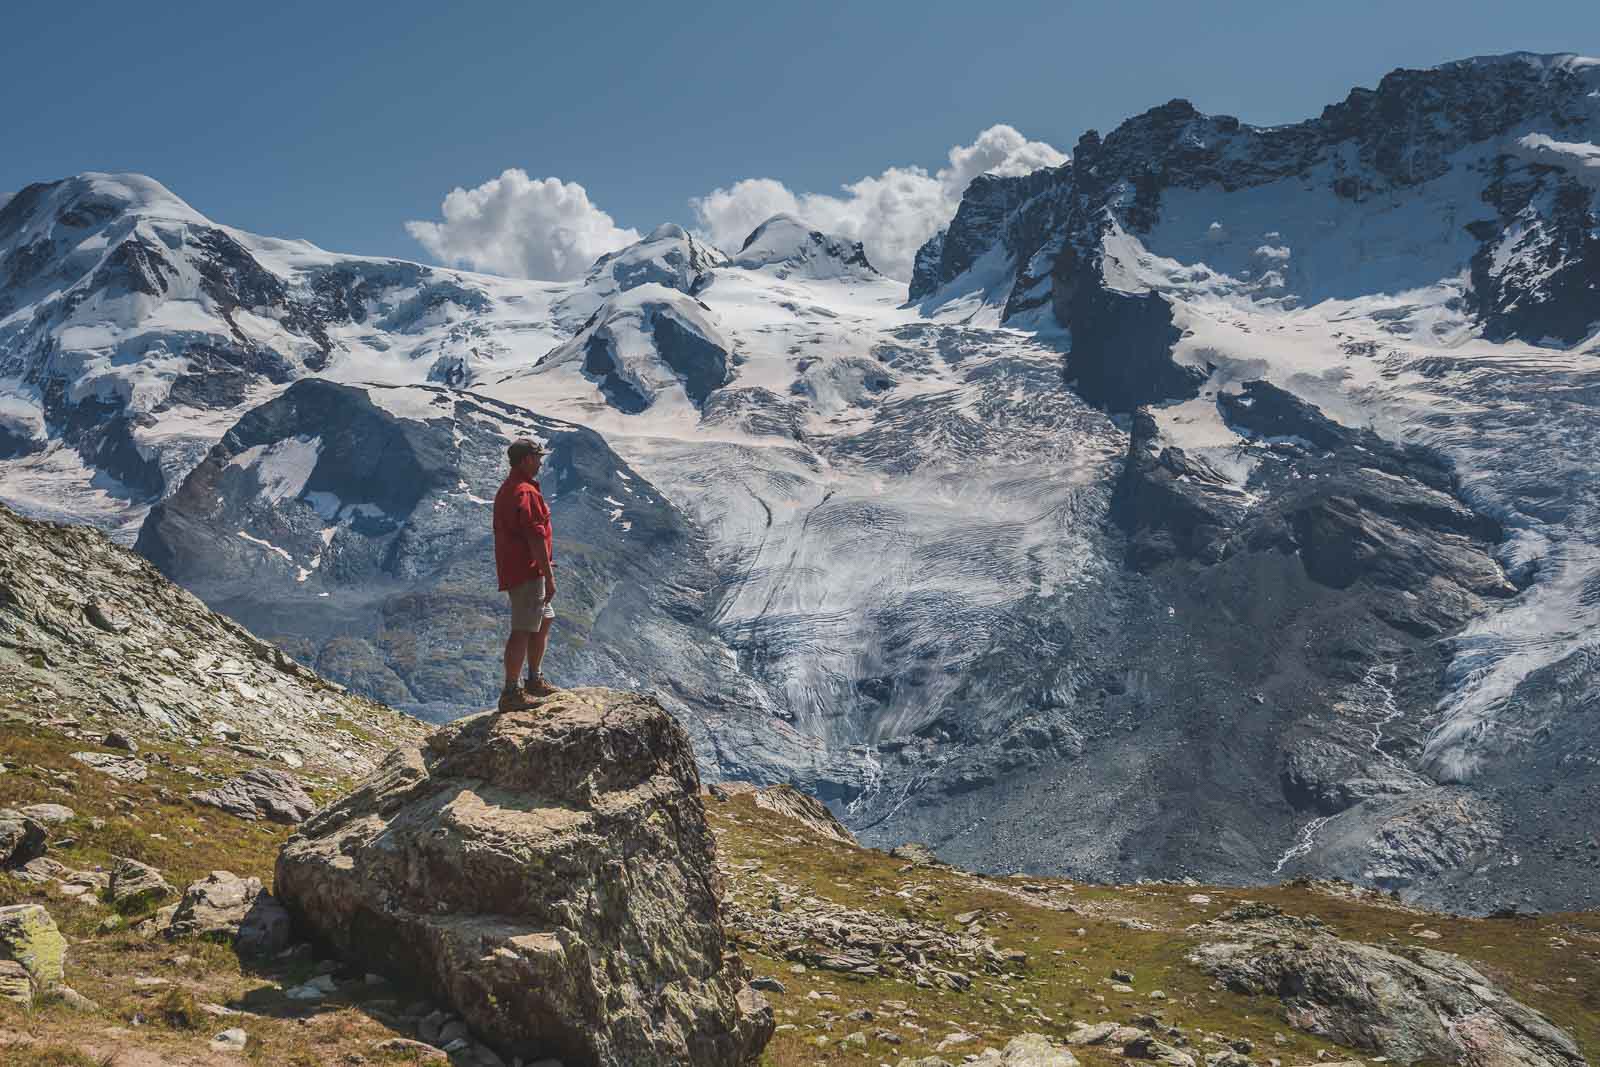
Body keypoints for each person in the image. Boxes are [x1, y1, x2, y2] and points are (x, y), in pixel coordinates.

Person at [493, 438, 560, 711]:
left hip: (521, 569)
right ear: (526, 460)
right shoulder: (526, 492)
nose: (541, 462)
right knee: (522, 628)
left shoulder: (510, 488)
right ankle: (511, 691)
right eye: (537, 457)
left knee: (544, 619)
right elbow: (535, 537)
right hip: (527, 572)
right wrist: (548, 575)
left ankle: (533, 679)